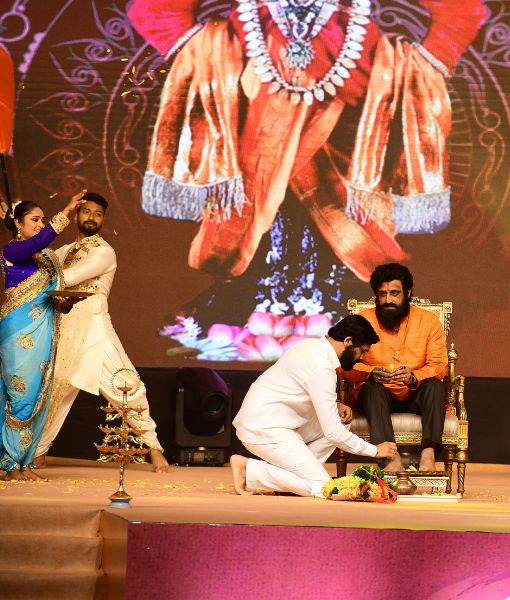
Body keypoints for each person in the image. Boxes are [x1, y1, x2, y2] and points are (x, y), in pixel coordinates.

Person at [126, 0, 487, 280]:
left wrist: (413, 70)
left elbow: (463, 13)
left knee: (332, 271)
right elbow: (153, 12)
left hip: (344, 154)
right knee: (258, 270)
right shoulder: (251, 21)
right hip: (250, 159)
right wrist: (208, 58)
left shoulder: (353, 24)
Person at [34, 192, 169, 473]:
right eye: (86, 212)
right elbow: (42, 267)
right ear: (77, 215)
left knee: (126, 384)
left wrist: (39, 269)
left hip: (95, 329)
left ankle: (154, 447)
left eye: (98, 214)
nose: (91, 218)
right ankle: (38, 451)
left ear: (103, 219)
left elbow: (66, 277)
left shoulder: (104, 252)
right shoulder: (64, 251)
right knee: (55, 393)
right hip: (64, 329)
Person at [230, 315, 398, 496]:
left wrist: (333, 404)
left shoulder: (310, 345)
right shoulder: (322, 367)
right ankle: (249, 470)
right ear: (348, 341)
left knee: (342, 421)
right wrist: (375, 450)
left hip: (279, 421)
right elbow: (333, 433)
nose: (362, 358)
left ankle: (291, 476)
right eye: (362, 351)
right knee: (325, 487)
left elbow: (298, 387)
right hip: (263, 427)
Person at [0, 190, 86, 480]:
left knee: (39, 394)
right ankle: (9, 464)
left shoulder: (47, 259)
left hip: (44, 331)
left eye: (42, 220)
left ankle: (24, 462)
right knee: (21, 394)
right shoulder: (13, 250)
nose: (39, 224)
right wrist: (67, 210)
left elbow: (50, 299)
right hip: (19, 332)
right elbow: (39, 241)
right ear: (18, 224)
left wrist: (66, 302)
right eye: (34, 220)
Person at [346, 263, 448, 472]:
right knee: (371, 389)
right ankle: (391, 458)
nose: (388, 300)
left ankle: (428, 453)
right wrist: (371, 373)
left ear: (408, 293)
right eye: (382, 294)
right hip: (377, 398)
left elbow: (439, 365)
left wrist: (414, 377)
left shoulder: (429, 321)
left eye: (394, 293)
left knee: (435, 386)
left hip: (415, 395)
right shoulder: (362, 321)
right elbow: (344, 363)